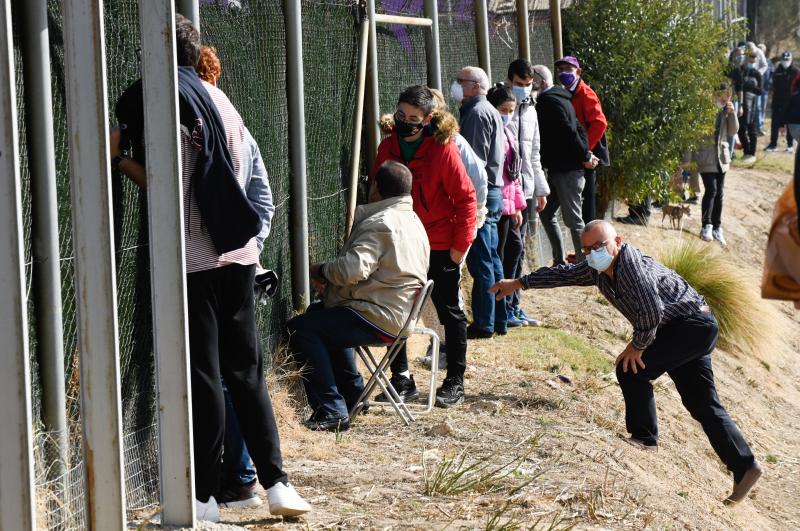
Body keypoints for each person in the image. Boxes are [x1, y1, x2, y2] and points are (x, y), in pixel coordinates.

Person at [110, 15, 310, 521]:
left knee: (204, 376)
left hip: (192, 259)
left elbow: (169, 183)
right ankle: (279, 485)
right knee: (247, 373)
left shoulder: (167, 103)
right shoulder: (217, 97)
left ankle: (201, 499)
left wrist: (120, 163)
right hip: (238, 254)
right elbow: (244, 171)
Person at [490, 220, 762, 504]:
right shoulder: (597, 269)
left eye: (600, 245)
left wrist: (637, 346)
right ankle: (745, 466)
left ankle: (644, 438)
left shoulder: (630, 267)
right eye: (587, 249)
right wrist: (519, 283)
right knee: (703, 404)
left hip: (690, 326)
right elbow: (565, 274)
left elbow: (651, 313)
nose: (594, 252)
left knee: (630, 369)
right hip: (689, 327)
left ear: (617, 240)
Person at [193, 44, 277, 510]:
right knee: (243, 374)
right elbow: (262, 198)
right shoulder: (235, 121)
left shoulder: (198, 124)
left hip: (209, 265)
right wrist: (251, 248)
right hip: (242, 261)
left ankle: (234, 480)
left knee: (220, 377)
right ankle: (247, 479)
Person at [287, 161, 429, 431]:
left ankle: (331, 409)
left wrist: (321, 270)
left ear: (375, 187)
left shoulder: (380, 223)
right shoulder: (413, 221)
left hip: (377, 315)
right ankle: (353, 396)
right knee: (322, 317)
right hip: (398, 314)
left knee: (300, 329)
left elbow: (352, 270)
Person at [372, 85, 477, 408]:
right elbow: (377, 193)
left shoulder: (443, 149)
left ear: (428, 119)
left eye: (414, 118)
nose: (405, 122)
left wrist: (458, 249)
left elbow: (466, 199)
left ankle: (455, 380)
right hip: (400, 244)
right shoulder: (387, 147)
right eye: (401, 115)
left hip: (439, 244)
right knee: (394, 309)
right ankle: (401, 378)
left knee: (449, 312)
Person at [452, 66, 509, 339]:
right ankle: (500, 319)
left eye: (459, 81)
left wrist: (472, 204)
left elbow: (472, 165)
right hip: (495, 191)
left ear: (475, 86)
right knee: (492, 258)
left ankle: (485, 322)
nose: (455, 85)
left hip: (482, 195)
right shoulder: (489, 110)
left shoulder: (475, 114)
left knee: (482, 262)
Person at [532, 65, 597, 265]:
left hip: (567, 171)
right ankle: (560, 261)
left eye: (531, 81)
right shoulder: (562, 99)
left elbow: (570, 130)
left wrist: (585, 154)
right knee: (547, 214)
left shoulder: (549, 101)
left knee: (574, 220)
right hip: (559, 170)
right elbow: (578, 128)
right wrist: (586, 152)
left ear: (541, 82)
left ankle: (584, 266)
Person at [505, 58, 549, 326]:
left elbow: (534, 153)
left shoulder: (531, 110)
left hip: (528, 189)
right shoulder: (502, 106)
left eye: (528, 84)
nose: (524, 89)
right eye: (519, 84)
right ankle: (506, 307)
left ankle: (515, 305)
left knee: (519, 252)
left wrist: (540, 189)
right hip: (509, 191)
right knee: (511, 250)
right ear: (510, 80)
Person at [486, 83, 528, 328]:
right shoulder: (494, 133)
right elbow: (498, 177)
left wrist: (518, 207)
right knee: (502, 255)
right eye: (504, 109)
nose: (508, 114)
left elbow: (514, 176)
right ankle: (500, 308)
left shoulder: (509, 132)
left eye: (512, 110)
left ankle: (508, 305)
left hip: (510, 206)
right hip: (498, 205)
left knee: (514, 250)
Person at [555, 55, 609, 224]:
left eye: (568, 69)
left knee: (587, 203)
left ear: (578, 71)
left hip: (587, 153)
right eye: (561, 70)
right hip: (576, 152)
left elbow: (600, 123)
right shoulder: (565, 92)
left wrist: (586, 151)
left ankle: (590, 242)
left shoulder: (585, 93)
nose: (564, 73)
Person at [686, 83, 739, 246]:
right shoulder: (703, 109)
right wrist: (687, 161)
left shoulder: (727, 111)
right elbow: (691, 134)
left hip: (721, 157)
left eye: (728, 97)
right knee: (712, 189)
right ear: (715, 95)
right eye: (724, 96)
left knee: (720, 192)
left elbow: (733, 131)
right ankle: (706, 226)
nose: (726, 99)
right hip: (705, 156)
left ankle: (717, 227)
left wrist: (732, 114)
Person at [766, 52, 800, 153]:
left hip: (790, 102)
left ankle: (790, 145)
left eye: (787, 60)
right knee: (775, 123)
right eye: (784, 59)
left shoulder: (796, 71)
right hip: (777, 101)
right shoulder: (777, 70)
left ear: (791, 59)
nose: (785, 62)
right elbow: (773, 86)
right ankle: (773, 144)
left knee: (789, 124)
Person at [738, 51, 763, 164]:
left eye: (754, 58)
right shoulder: (741, 71)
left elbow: (760, 91)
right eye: (750, 57)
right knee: (741, 129)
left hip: (752, 104)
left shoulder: (757, 74)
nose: (751, 60)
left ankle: (752, 153)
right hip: (741, 103)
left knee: (752, 129)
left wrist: (749, 86)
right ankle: (746, 151)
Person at [757, 44, 772, 135]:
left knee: (762, 108)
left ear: (764, 51)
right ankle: (758, 126)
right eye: (758, 49)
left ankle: (761, 124)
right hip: (757, 89)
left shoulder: (769, 62)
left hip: (765, 89)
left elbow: (772, 74)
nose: (760, 51)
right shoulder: (755, 61)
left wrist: (769, 84)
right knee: (757, 108)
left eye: (761, 49)